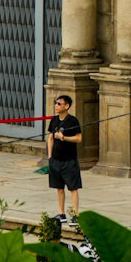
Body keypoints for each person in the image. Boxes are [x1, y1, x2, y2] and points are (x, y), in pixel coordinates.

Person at [46, 91, 83, 223]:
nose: (56, 105)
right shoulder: (54, 120)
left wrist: (64, 138)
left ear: (66, 106)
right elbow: (50, 138)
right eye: (56, 103)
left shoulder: (72, 121)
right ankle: (61, 214)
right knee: (59, 188)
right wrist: (50, 156)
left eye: (59, 103)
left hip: (69, 160)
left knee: (73, 188)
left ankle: (76, 214)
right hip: (56, 160)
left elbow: (79, 138)